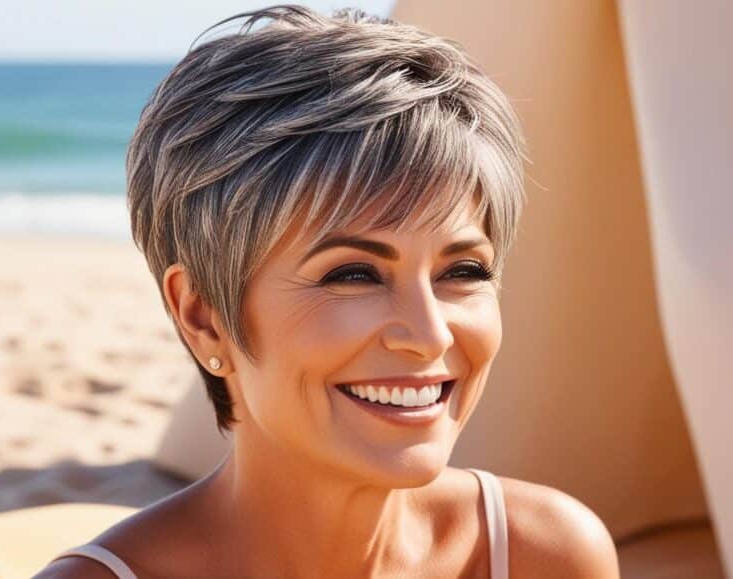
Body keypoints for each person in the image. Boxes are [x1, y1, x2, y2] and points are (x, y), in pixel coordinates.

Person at [36, 5, 618, 578]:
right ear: (203, 314)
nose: (430, 334)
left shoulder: (544, 555)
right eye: (354, 275)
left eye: (462, 271)